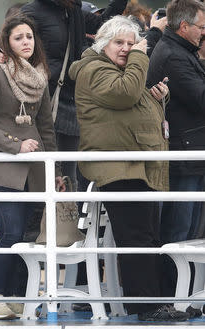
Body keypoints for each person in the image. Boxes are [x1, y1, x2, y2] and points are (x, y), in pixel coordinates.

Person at [69, 15, 190, 321]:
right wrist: (140, 53)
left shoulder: (121, 72)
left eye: (130, 43)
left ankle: (157, 302)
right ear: (102, 44)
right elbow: (124, 95)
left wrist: (156, 97)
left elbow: (134, 100)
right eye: (119, 43)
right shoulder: (94, 69)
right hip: (117, 167)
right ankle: (147, 307)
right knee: (136, 238)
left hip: (137, 166)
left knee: (147, 238)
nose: (126, 49)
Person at [0, 15, 63, 320]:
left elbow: (46, 128)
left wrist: (56, 170)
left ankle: (17, 299)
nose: (26, 42)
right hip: (2, 168)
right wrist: (15, 146)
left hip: (35, 169)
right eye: (18, 38)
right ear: (6, 43)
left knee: (27, 234)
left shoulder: (39, 77)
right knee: (10, 230)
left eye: (29, 37)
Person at [21, 0, 128, 191]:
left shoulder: (73, 9)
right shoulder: (31, 10)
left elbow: (103, 24)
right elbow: (10, 41)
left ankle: (67, 219)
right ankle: (39, 220)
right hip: (45, 100)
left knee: (69, 178)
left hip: (72, 99)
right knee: (43, 175)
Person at [147, 0, 205, 310]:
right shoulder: (174, 56)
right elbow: (200, 98)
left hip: (191, 153)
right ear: (184, 27)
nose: (204, 33)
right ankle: (172, 298)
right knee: (179, 232)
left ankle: (185, 296)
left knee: (190, 233)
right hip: (184, 155)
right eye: (201, 27)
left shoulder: (181, 52)